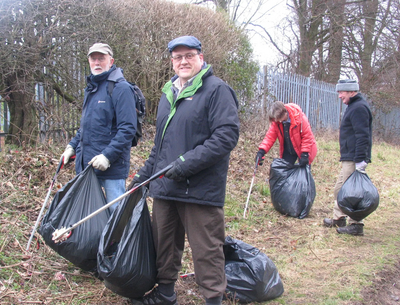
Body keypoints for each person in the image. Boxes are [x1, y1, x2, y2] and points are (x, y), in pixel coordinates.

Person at [129, 36, 240, 305]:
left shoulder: (216, 90)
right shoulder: (168, 93)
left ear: (201, 57)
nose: (183, 61)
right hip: (166, 187)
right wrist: (143, 178)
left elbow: (226, 136)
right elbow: (161, 145)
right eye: (178, 57)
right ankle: (165, 293)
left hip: (200, 189)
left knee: (207, 250)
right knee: (164, 244)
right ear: (172, 62)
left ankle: (214, 299)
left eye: (189, 55)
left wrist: (185, 164)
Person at [61, 43, 137, 212]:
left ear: (111, 61)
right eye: (93, 59)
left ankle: (116, 240)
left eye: (101, 59)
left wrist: (107, 157)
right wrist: (71, 147)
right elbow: (87, 126)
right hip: (87, 167)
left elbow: (128, 129)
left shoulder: (121, 88)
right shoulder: (91, 88)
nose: (97, 63)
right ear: (88, 61)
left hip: (112, 169)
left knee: (115, 218)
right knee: (90, 218)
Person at [323, 79, 373, 236]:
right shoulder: (353, 106)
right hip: (349, 157)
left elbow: (362, 136)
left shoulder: (359, 108)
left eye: (342, 92)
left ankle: (356, 224)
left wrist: (360, 161)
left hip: (354, 159)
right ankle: (339, 218)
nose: (339, 96)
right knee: (340, 189)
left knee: (352, 193)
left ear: (352, 92)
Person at [255, 101, 317, 167]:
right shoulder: (277, 122)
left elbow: (307, 136)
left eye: (280, 119)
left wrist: (305, 154)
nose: (279, 121)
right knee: (284, 172)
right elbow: (270, 137)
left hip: (304, 150)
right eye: (277, 120)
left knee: (303, 174)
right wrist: (261, 151)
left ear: (285, 113)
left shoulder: (300, 118)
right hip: (288, 150)